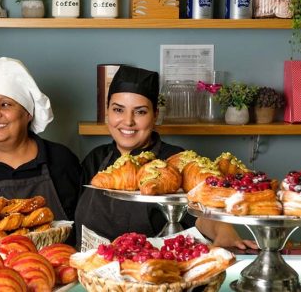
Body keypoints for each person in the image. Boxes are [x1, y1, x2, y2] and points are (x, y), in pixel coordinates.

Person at [74, 65, 258, 251]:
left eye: (140, 112)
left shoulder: (175, 161)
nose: (128, 121)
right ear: (108, 112)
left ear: (155, 115)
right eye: (118, 110)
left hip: (153, 269)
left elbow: (201, 212)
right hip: (93, 273)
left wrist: (224, 232)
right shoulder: (96, 159)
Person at [0, 57, 81, 227]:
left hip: (56, 253)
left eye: (5, 104)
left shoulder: (61, 160)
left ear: (28, 113)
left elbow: (83, 230)